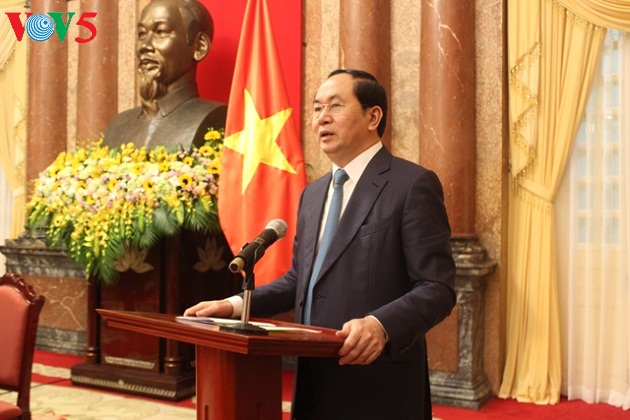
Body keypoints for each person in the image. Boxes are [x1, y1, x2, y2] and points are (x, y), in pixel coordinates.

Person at [184, 69, 457, 419]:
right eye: (316, 108)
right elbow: (300, 280)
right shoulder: (313, 195)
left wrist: (381, 325)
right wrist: (235, 305)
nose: (321, 118)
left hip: (376, 382)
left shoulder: (411, 185)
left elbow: (437, 288)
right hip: (313, 379)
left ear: (373, 116)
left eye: (335, 106)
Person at [103, 0, 226, 150]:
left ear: (199, 46)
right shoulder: (118, 126)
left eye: (161, 32)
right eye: (142, 34)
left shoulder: (216, 117)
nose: (144, 46)